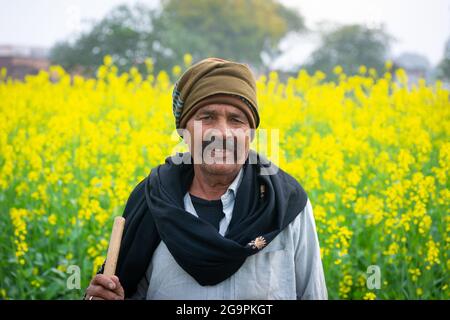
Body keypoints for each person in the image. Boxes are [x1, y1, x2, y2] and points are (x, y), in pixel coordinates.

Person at [85, 57, 327, 300]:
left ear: (250, 134)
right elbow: (122, 290)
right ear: (184, 130)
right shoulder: (151, 200)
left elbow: (312, 295)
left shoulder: (286, 205)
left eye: (236, 120)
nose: (222, 132)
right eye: (207, 117)